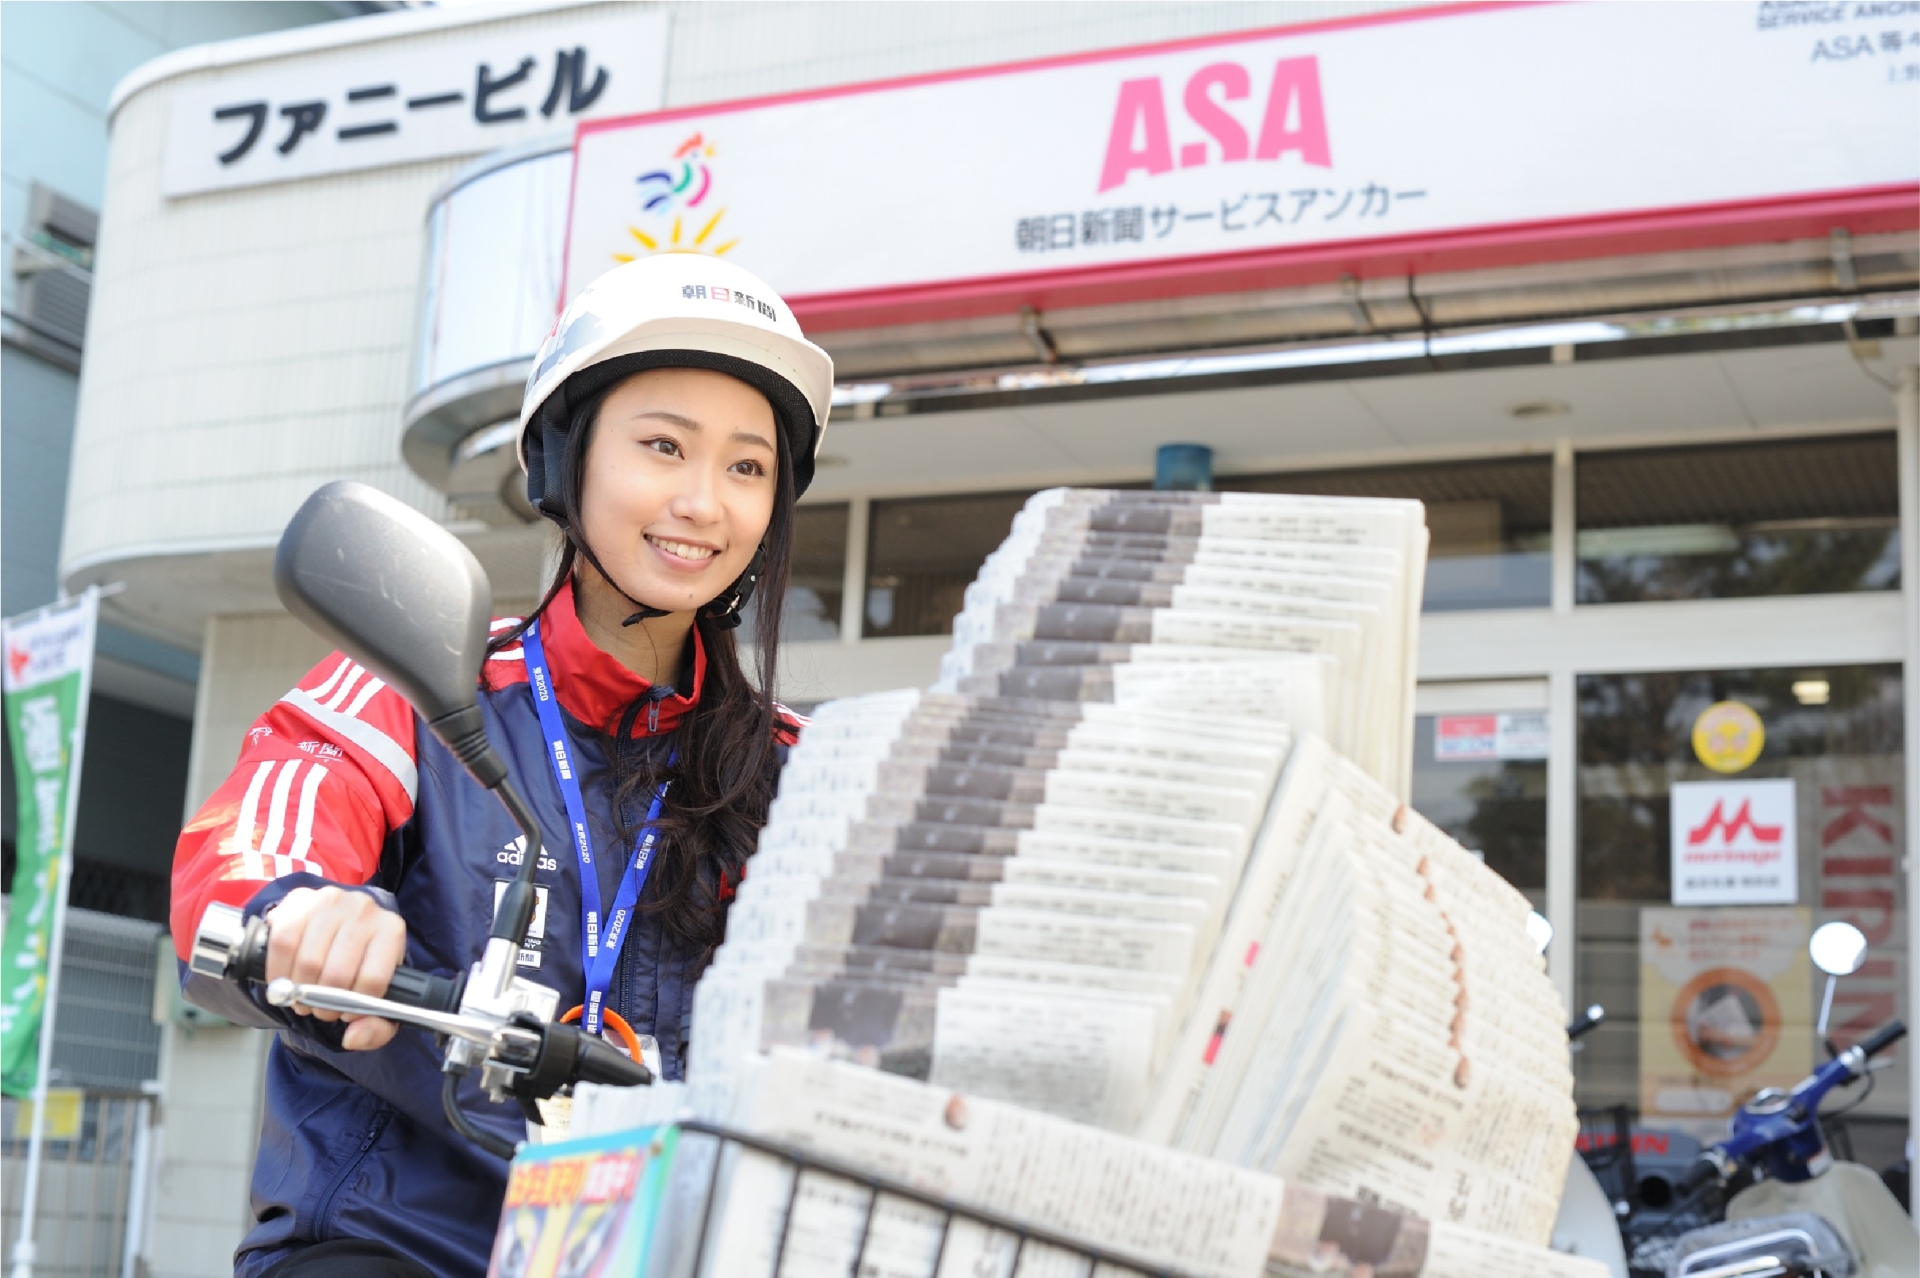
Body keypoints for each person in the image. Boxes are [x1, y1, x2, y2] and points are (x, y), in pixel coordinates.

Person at [169, 255, 834, 1277]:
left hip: (661, 1248)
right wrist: (302, 912)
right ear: (563, 460)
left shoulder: (793, 770)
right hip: (397, 1241)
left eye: (748, 468)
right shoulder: (424, 679)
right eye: (663, 446)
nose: (704, 502)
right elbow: (271, 821)